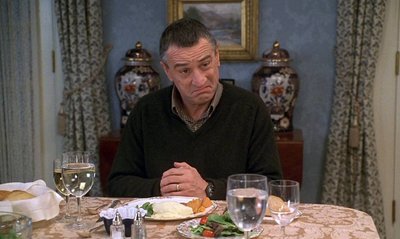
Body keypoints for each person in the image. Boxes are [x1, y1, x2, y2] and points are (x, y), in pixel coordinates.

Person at [108, 18, 282, 200]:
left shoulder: (251, 109)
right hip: (161, 224)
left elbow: (270, 185)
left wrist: (209, 189)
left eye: (205, 64)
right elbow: (118, 184)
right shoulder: (145, 110)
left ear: (217, 57)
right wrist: (162, 187)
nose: (199, 80)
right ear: (167, 71)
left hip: (228, 225)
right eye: (185, 71)